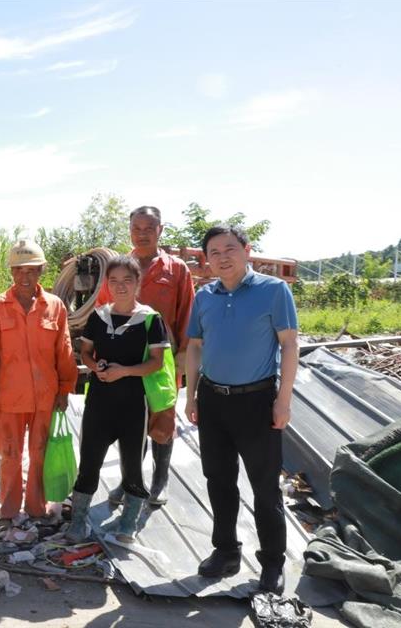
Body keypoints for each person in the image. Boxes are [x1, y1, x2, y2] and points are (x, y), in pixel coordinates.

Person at [185, 226, 299, 594]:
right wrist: (191, 396)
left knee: (265, 487)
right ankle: (226, 552)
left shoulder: (273, 291)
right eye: (214, 252)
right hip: (214, 401)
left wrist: (283, 400)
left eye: (230, 249)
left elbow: (289, 345)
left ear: (247, 250)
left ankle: (272, 563)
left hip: (257, 401)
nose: (222, 257)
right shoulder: (205, 296)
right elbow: (195, 347)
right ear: (207, 258)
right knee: (218, 480)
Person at [66, 256, 170, 544]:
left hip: (133, 404)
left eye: (127, 280)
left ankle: (128, 523)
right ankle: (77, 520)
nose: (120, 286)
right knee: (89, 461)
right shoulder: (98, 317)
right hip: (99, 402)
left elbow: (156, 362)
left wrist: (124, 371)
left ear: (137, 283)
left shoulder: (150, 319)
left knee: (132, 463)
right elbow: (86, 351)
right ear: (107, 284)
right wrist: (94, 366)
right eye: (114, 281)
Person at [98, 206, 195, 507]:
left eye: (148, 228)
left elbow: (189, 314)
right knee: (129, 423)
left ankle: (160, 481)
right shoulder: (119, 266)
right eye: (136, 228)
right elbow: (104, 310)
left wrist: (183, 353)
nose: (142, 234)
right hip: (125, 359)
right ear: (129, 230)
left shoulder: (176, 269)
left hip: (163, 359)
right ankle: (130, 481)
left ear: (160, 230)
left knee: (162, 420)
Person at [0, 240, 78, 526]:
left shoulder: (54, 306)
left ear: (41, 271)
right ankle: (8, 510)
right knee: (9, 454)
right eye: (19, 270)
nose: (24, 276)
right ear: (11, 271)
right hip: (9, 396)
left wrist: (64, 388)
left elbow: (64, 349)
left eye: (31, 270)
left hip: (45, 396)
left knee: (40, 453)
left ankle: (36, 507)